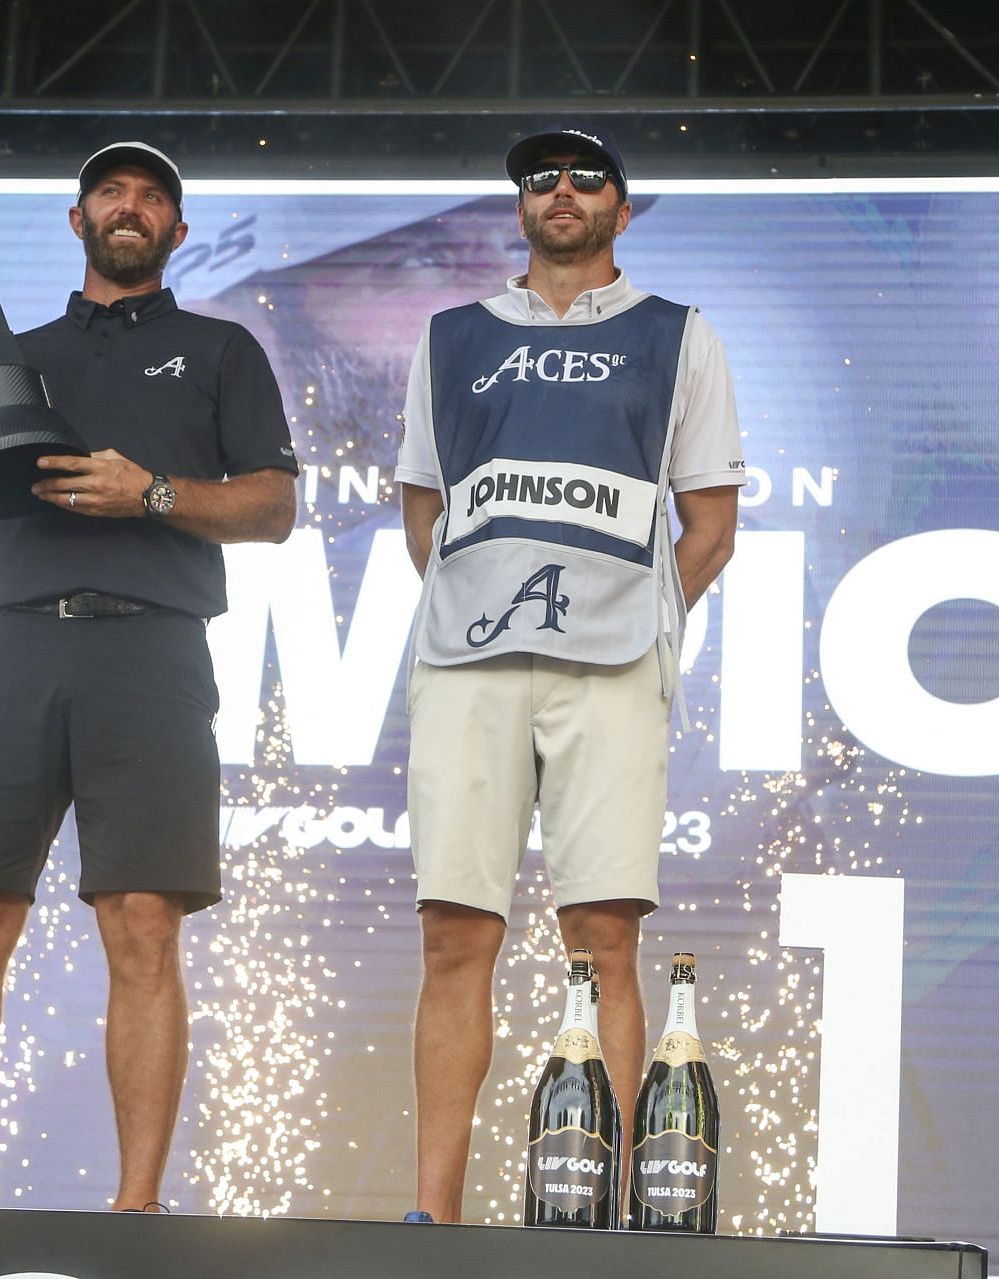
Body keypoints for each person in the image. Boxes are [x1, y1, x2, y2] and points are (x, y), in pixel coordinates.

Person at [0, 141, 297, 1208]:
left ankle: (135, 1213)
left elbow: (272, 507)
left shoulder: (221, 351)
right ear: (78, 221)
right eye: (113, 191)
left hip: (152, 649)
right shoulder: (6, 351)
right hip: (11, 641)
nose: (133, 205)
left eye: (156, 195)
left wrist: (153, 494)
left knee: (141, 926)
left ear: (177, 230)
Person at [394, 124, 744, 1222]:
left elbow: (712, 525)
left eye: (587, 176)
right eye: (540, 176)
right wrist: (486, 608)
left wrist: (633, 622)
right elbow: (424, 512)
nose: (562, 190)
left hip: (610, 669)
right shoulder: (450, 335)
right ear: (520, 207)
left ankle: (620, 1218)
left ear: (621, 210)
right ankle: (433, 1220)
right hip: (468, 664)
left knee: (605, 938)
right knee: (456, 933)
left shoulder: (678, 333)